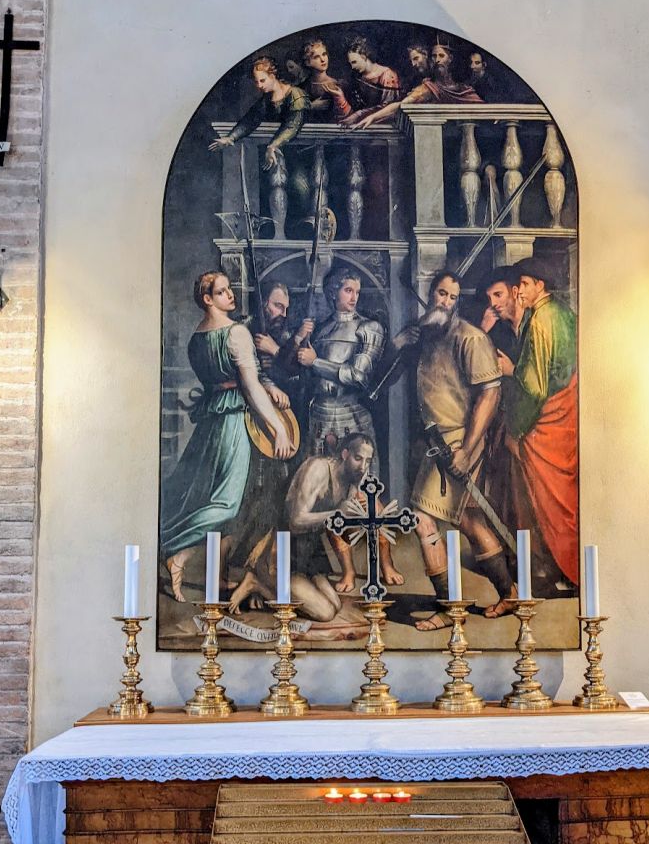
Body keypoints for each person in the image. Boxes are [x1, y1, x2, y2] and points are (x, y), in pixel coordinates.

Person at [160, 271, 293, 602]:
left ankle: (202, 571)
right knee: (227, 503)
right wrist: (278, 428)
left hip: (211, 419)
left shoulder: (197, 338)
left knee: (217, 494)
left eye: (229, 289)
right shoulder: (236, 334)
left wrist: (269, 385)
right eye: (222, 292)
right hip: (234, 419)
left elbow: (228, 380)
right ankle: (173, 547)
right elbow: (247, 386)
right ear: (208, 299)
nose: (230, 295)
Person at [399, 271, 516, 630]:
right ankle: (509, 592)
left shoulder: (470, 337)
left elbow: (490, 394)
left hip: (459, 442)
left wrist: (466, 449)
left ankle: (451, 609)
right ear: (428, 294)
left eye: (452, 297)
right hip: (437, 443)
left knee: (423, 519)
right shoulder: (427, 336)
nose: (445, 302)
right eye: (440, 293)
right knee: (467, 519)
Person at [229, 433, 399, 621]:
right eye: (358, 458)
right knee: (324, 613)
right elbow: (296, 520)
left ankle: (273, 588)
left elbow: (342, 530)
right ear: (344, 454)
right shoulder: (318, 469)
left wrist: (362, 518)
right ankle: (257, 582)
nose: (363, 467)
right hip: (280, 549)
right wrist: (338, 514)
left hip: (307, 552)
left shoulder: (353, 481)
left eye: (367, 461)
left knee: (335, 605)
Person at [495, 257, 579, 608]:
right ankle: (558, 569)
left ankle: (556, 570)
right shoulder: (561, 313)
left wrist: (510, 370)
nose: (520, 291)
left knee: (546, 499)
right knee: (560, 498)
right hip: (566, 411)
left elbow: (534, 386)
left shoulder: (542, 320)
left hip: (547, 423)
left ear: (539, 286)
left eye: (524, 284)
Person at [297, 264, 385, 470]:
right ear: (333, 292)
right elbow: (305, 378)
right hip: (319, 416)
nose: (354, 297)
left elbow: (358, 376)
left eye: (357, 292)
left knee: (360, 482)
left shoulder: (369, 328)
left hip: (351, 415)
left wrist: (315, 362)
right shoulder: (319, 330)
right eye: (348, 290)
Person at [209, 56, 309, 171]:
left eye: (262, 81)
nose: (259, 86)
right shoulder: (267, 99)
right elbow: (251, 120)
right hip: (274, 153)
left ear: (272, 76)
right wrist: (230, 138)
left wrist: (273, 146)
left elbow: (293, 125)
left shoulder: (296, 94)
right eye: (256, 82)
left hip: (300, 152)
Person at [354, 39, 483, 129]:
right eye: (434, 56)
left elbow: (482, 107)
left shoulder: (465, 88)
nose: (437, 60)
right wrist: (373, 117)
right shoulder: (429, 87)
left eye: (441, 55)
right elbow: (401, 105)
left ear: (450, 59)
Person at [342, 36, 401, 124]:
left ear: (364, 57)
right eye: (350, 63)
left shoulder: (387, 75)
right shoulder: (359, 78)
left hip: (384, 125)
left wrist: (358, 114)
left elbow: (388, 107)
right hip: (363, 124)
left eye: (354, 62)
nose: (352, 67)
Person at [482, 265, 529, 372]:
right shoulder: (495, 328)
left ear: (514, 292)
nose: (493, 303)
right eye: (489, 298)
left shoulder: (535, 322)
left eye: (498, 295)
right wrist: (483, 330)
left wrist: (512, 370)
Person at [302, 38, 352, 123]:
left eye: (324, 54)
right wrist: (311, 106)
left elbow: (349, 115)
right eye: (316, 57)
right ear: (307, 62)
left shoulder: (340, 85)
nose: (323, 59)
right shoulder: (303, 87)